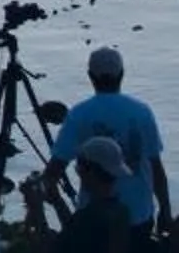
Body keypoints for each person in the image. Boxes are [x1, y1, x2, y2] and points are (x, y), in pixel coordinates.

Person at [44, 49, 171, 242]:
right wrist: (165, 209)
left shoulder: (79, 114)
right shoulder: (142, 112)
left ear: (90, 76)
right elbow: (156, 167)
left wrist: (62, 218)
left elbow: (53, 172)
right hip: (139, 216)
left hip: (93, 219)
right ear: (122, 74)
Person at [55, 138, 138, 250]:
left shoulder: (89, 217)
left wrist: (37, 210)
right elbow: (74, 230)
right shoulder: (122, 211)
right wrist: (57, 200)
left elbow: (53, 247)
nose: (78, 172)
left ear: (90, 172)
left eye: (79, 168)